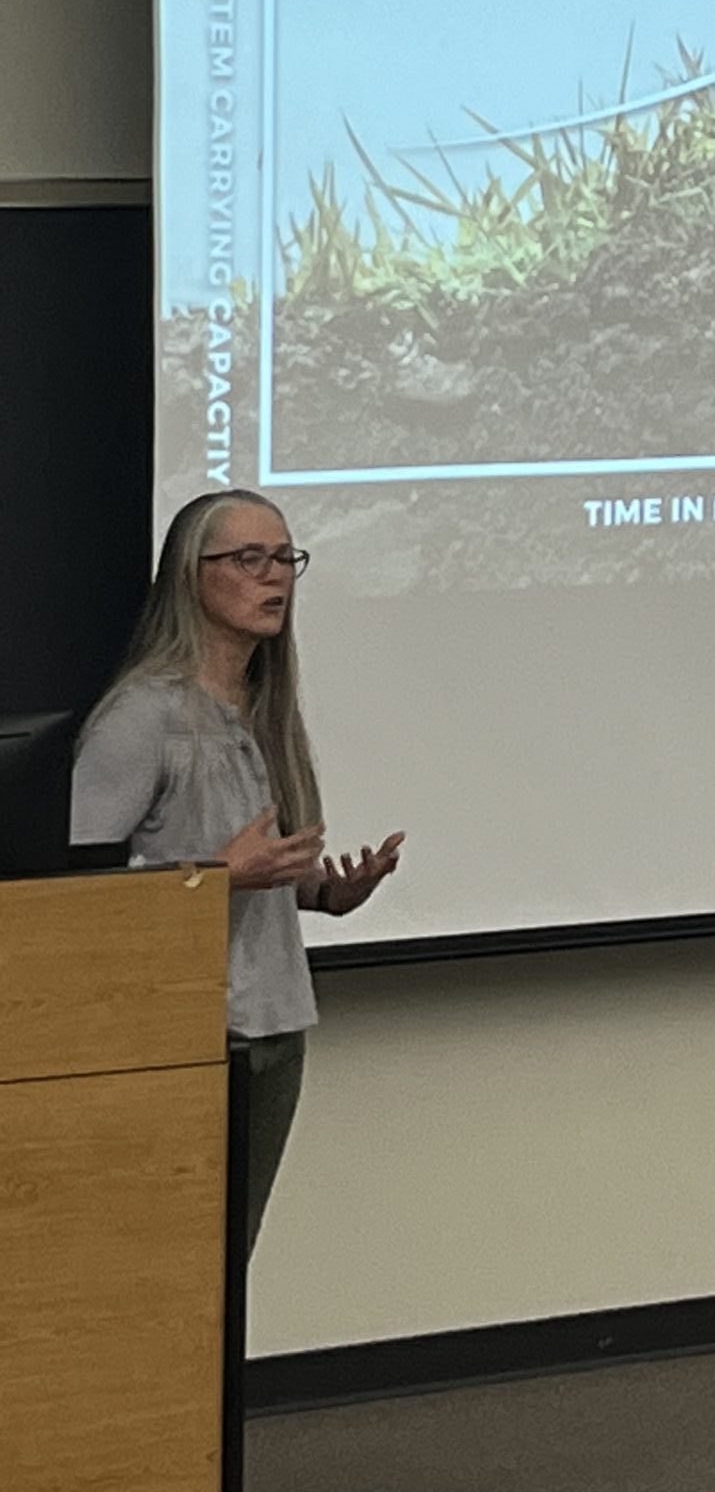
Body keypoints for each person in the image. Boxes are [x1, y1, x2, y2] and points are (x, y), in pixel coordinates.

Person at [71, 488, 404, 1255]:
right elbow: (75, 895)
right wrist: (212, 875)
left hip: (276, 1027)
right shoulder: (143, 717)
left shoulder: (261, 708)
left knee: (230, 1260)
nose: (274, 576)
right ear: (193, 576)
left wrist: (324, 892)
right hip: (193, 1030)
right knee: (175, 1260)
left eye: (285, 557)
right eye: (248, 559)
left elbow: (257, 873)